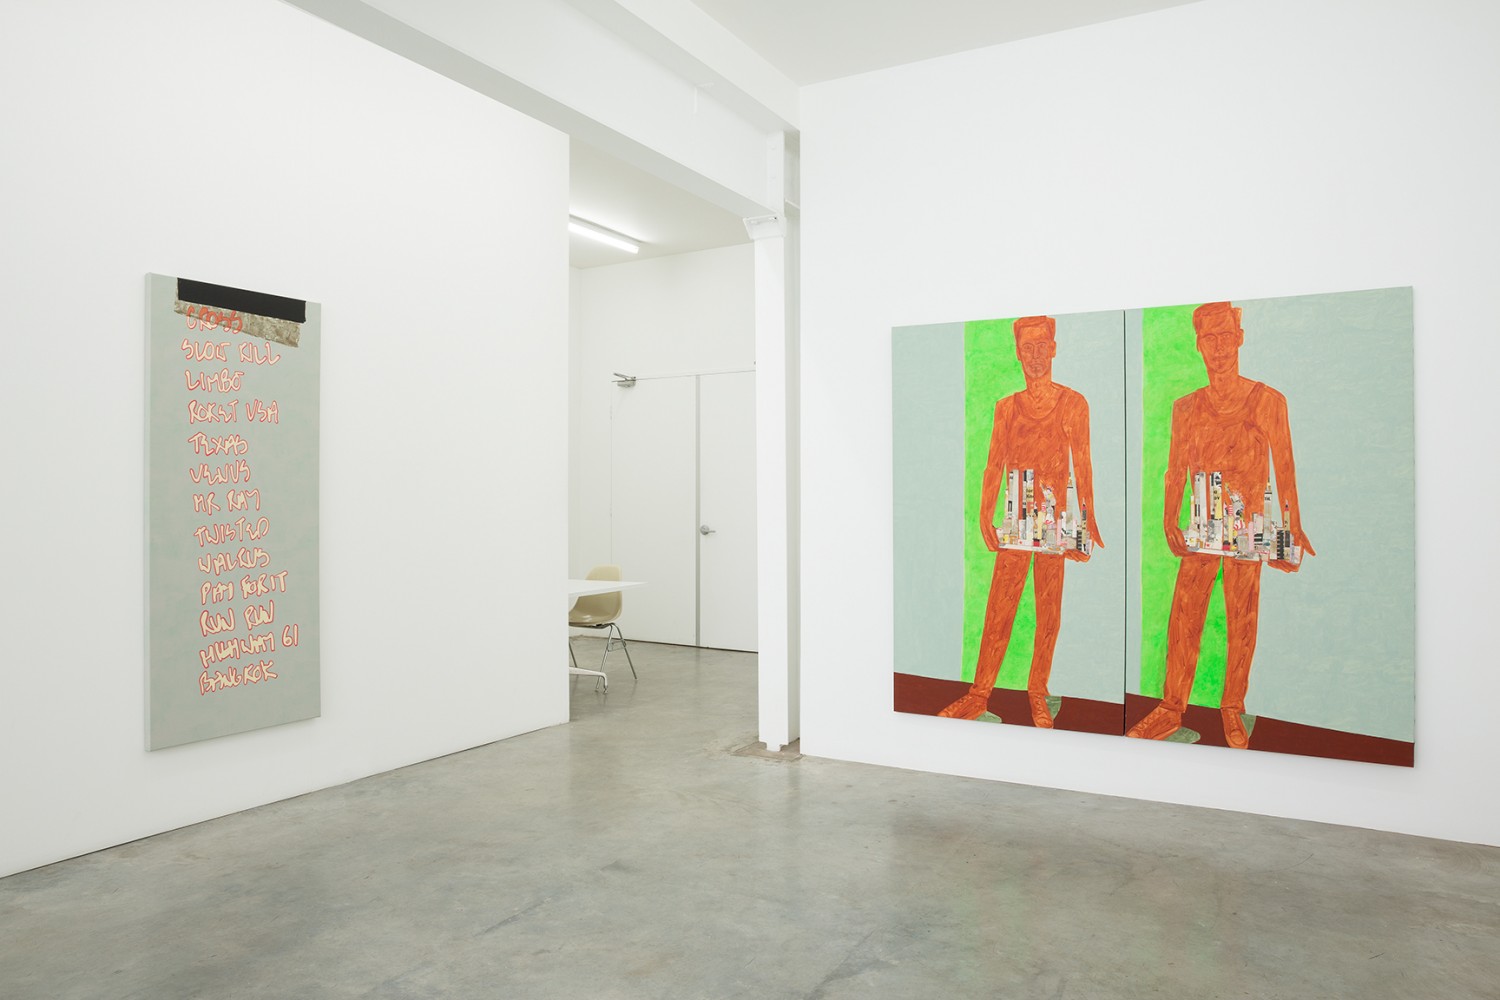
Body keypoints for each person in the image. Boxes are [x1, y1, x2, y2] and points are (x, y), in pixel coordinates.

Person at [1127, 302, 1315, 748]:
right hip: (1202, 529)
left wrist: (1291, 529)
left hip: (1248, 530)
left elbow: (1285, 470)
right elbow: (1175, 468)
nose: (1218, 347)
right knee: (1184, 618)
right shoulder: (1187, 407)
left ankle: (1232, 707)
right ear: (1198, 344)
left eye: (1225, 336)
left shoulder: (1267, 401)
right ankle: (1171, 708)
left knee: (1241, 619)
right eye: (1209, 338)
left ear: (1240, 337)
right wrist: (1168, 517)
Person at [938, 316, 1104, 728]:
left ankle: (1037, 693)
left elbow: (1082, 465)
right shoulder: (1007, 408)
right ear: (1017, 352)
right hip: (1015, 520)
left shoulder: (1073, 403)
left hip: (1054, 523)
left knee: (1048, 611)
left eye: (1041, 345)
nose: (1034, 355)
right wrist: (984, 513)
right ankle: (979, 694)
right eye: (1027, 347)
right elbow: (993, 463)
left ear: (1053, 348)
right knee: (1000, 609)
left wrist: (1085, 525)